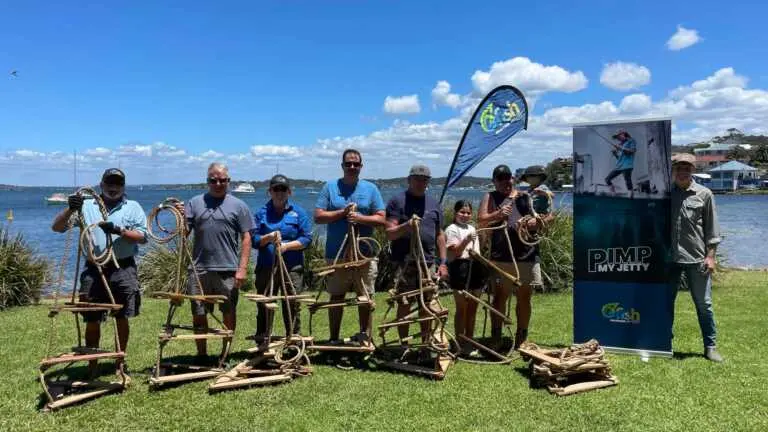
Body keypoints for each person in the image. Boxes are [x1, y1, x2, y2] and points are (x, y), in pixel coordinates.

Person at [51, 168, 147, 381]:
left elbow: (142, 237)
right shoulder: (85, 205)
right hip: (94, 269)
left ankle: (119, 362)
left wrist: (119, 230)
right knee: (92, 318)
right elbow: (57, 228)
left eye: (118, 184)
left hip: (123, 267)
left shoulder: (133, 207)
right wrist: (69, 210)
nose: (113, 188)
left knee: (122, 317)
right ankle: (92, 365)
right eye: (109, 183)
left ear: (123, 186)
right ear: (101, 184)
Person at [179, 162, 253, 359]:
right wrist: (180, 217)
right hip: (198, 269)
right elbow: (183, 234)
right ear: (207, 181)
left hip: (227, 268)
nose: (218, 183)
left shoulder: (239, 205)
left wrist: (242, 268)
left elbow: (247, 238)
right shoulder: (194, 203)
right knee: (199, 312)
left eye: (222, 180)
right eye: (214, 180)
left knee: (228, 312)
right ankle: (201, 354)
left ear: (228, 181)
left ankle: (225, 354)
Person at [314, 149, 386, 344]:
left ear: (361, 166)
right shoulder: (329, 187)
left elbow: (381, 219)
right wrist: (342, 213)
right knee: (336, 296)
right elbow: (318, 216)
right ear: (342, 166)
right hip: (336, 255)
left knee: (365, 297)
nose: (352, 167)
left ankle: (364, 336)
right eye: (348, 164)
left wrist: (360, 218)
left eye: (356, 164)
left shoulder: (371, 189)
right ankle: (334, 338)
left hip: (364, 256)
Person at [478, 164, 548, 350]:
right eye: (500, 179)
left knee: (525, 297)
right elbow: (482, 219)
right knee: (499, 297)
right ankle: (496, 337)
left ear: (513, 179)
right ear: (494, 181)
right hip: (501, 255)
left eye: (508, 177)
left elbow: (549, 217)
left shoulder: (526, 196)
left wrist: (536, 221)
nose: (505, 181)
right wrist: (498, 214)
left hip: (527, 254)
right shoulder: (490, 197)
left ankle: (521, 338)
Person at [385, 164, 448, 344]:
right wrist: (407, 226)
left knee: (427, 305)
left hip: (428, 263)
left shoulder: (434, 204)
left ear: (428, 182)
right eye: (417, 179)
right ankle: (403, 344)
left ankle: (425, 344)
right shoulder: (397, 201)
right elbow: (389, 233)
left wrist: (443, 262)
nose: (421, 183)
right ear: (409, 180)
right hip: (404, 263)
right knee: (404, 304)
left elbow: (439, 234)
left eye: (424, 180)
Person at [670, 153, 723, 362]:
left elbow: (712, 229)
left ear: (692, 170)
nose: (683, 171)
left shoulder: (705, 194)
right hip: (670, 259)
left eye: (687, 168)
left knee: (704, 304)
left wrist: (710, 257)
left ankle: (710, 346)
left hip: (697, 259)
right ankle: (665, 343)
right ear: (674, 170)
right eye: (679, 167)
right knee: (666, 303)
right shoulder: (666, 194)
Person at [251, 175, 312, 338]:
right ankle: (263, 340)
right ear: (269, 192)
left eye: (283, 189)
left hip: (292, 268)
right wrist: (268, 238)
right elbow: (254, 240)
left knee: (292, 304)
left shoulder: (299, 213)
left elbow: (306, 239)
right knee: (264, 303)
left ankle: (293, 340)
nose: (279, 192)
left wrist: (286, 246)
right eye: (275, 189)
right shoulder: (260, 214)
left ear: (289, 192)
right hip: (266, 268)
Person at [444, 200, 485, 356]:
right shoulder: (451, 229)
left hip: (475, 268)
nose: (465, 215)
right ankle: (459, 342)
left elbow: (477, 251)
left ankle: (470, 340)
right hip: (460, 269)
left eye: (468, 212)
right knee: (462, 308)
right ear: (455, 213)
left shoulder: (472, 228)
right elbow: (456, 252)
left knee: (473, 308)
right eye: (462, 212)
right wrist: (467, 240)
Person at [605, 129, 636, 195]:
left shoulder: (631, 141)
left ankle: (631, 194)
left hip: (627, 166)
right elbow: (620, 158)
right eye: (616, 138)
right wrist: (615, 154)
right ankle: (613, 193)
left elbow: (631, 152)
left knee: (627, 181)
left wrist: (620, 148)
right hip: (619, 166)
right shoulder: (620, 144)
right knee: (607, 179)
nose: (617, 139)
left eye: (618, 137)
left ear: (623, 134)